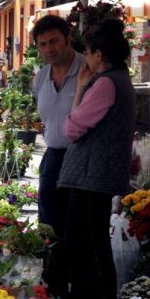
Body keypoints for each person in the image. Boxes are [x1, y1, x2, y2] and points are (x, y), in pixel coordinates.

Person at [57, 19, 135, 299]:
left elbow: (72, 128)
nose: (85, 60)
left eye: (88, 53)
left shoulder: (106, 84)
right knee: (88, 247)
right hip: (94, 177)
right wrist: (80, 90)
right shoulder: (120, 79)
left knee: (91, 250)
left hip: (93, 178)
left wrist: (79, 91)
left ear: (99, 54)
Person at [32, 15, 86, 229]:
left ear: (68, 38)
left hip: (82, 156)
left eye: (54, 41)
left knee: (75, 221)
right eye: (43, 44)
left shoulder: (87, 69)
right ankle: (50, 259)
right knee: (48, 217)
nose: (49, 49)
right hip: (53, 155)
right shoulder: (42, 76)